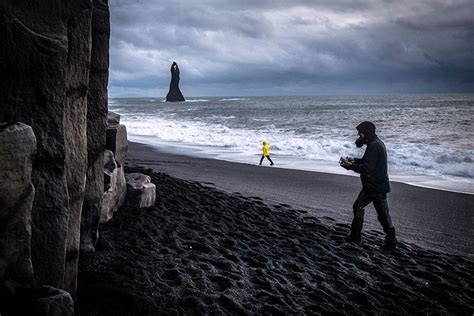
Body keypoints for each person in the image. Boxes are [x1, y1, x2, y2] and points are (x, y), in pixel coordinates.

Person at [339, 121, 397, 250]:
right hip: (371, 186)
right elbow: (368, 162)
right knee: (361, 207)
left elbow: (367, 168)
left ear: (367, 132)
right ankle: (355, 237)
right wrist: (355, 161)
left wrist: (350, 167)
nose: (358, 135)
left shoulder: (375, 145)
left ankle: (390, 243)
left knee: (383, 214)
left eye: (360, 133)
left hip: (377, 187)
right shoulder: (374, 144)